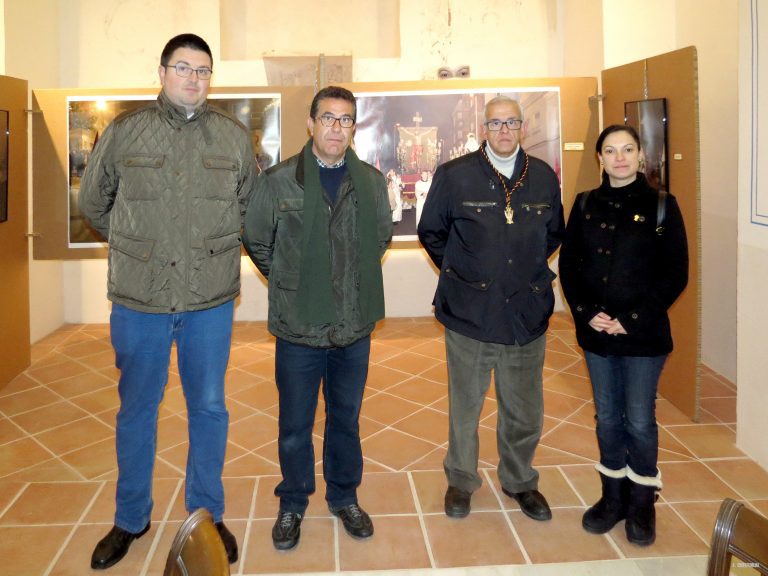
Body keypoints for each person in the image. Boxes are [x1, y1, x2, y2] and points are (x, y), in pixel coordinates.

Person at [79, 33, 255, 569]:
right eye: (183, 68)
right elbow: (93, 203)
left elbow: (246, 207)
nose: (193, 79)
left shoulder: (232, 138)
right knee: (137, 411)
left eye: (203, 71)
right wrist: (141, 247)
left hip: (208, 302)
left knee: (209, 409)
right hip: (140, 302)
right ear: (162, 72)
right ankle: (130, 518)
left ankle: (207, 514)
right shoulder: (126, 131)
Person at [242, 86, 392, 551]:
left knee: (346, 419)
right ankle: (292, 502)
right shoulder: (280, 180)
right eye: (328, 118)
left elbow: (380, 238)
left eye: (346, 120)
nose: (336, 128)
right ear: (310, 124)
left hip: (352, 327)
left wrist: (343, 285)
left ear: (354, 127)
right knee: (295, 424)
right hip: (298, 329)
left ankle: (344, 496)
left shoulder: (368, 181)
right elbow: (257, 240)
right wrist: (292, 283)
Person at [418, 95, 564, 522]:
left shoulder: (541, 177)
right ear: (484, 128)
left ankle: (520, 480)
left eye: (511, 123)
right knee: (465, 406)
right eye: (495, 123)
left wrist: (521, 273)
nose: (503, 131)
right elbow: (432, 232)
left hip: (525, 312)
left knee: (524, 408)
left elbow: (552, 234)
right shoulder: (454, 176)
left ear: (521, 128)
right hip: (469, 313)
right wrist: (467, 274)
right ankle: (461, 481)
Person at [559, 124, 688, 546]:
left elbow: (675, 274)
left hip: (643, 335)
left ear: (640, 155)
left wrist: (630, 317)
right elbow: (570, 267)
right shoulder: (584, 204)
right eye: (611, 150)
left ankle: (642, 504)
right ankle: (611, 498)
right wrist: (587, 313)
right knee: (607, 417)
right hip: (597, 333)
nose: (619, 157)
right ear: (600, 158)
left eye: (627, 149)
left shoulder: (663, 206)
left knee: (639, 419)